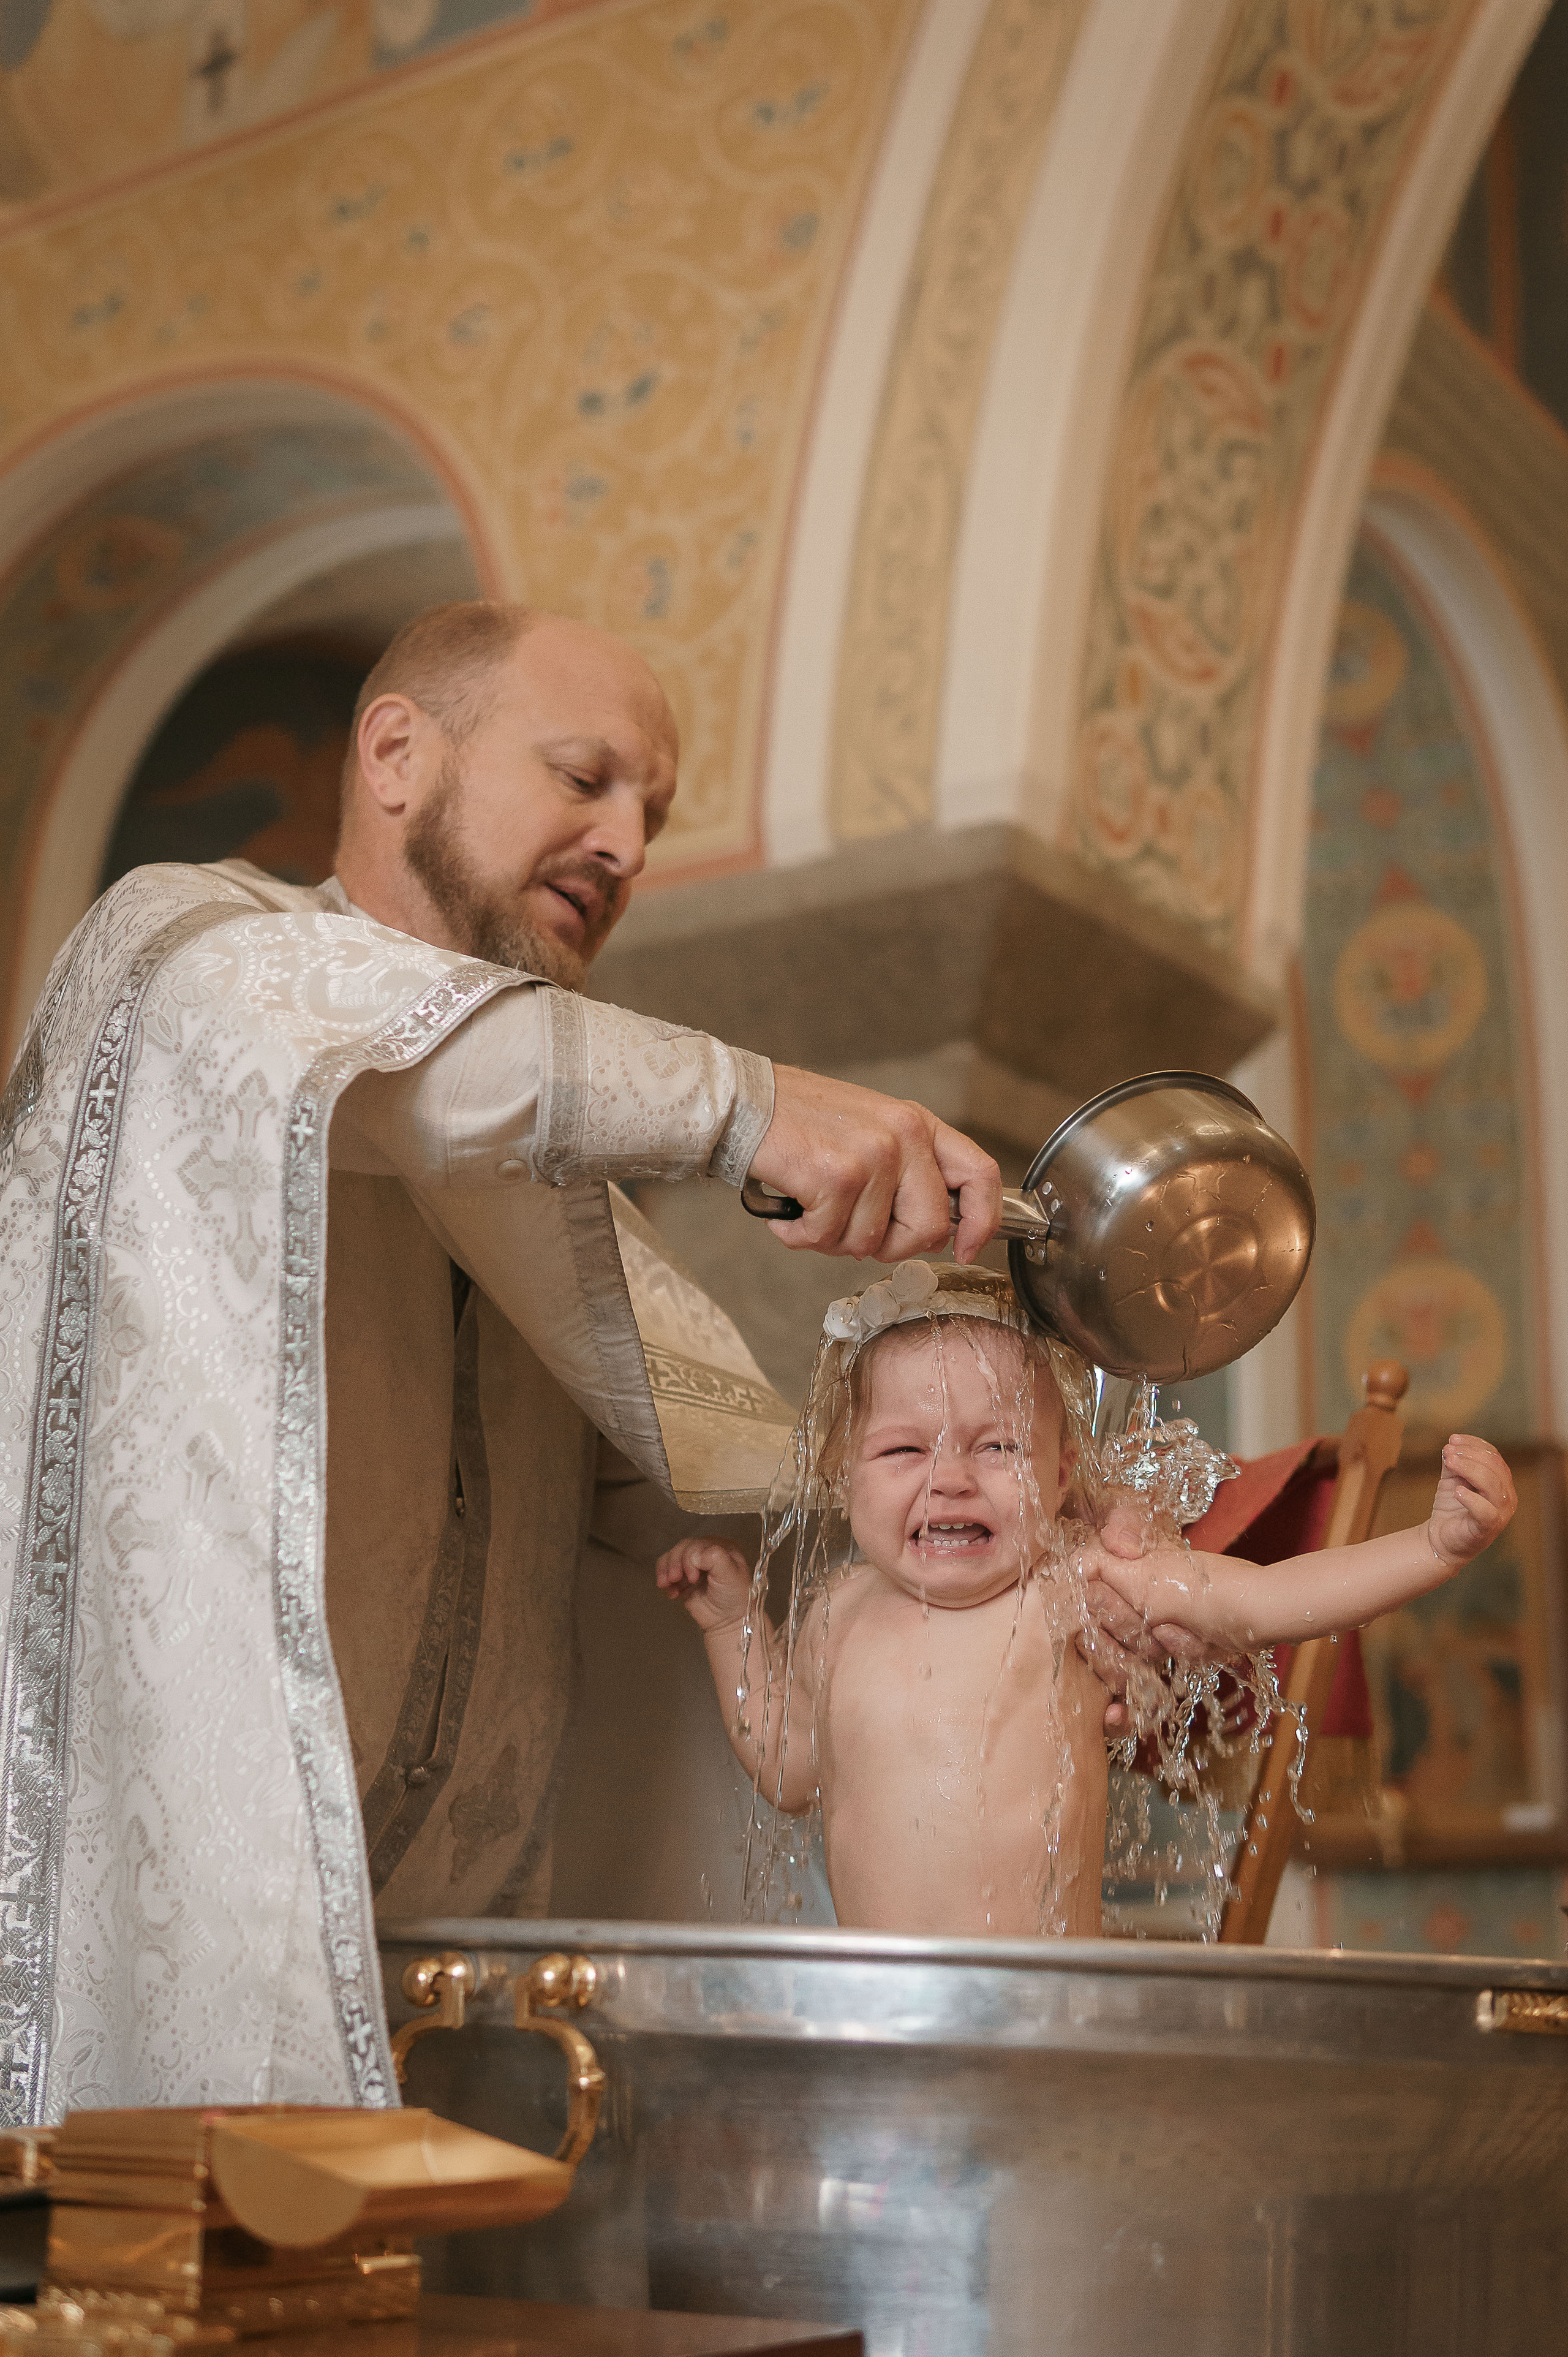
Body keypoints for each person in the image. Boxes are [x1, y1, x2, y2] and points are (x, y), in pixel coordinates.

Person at [0, 601, 1002, 2125]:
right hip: (154, 2011)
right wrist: (753, 1106)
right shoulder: (181, 955)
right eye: (585, 775)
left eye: (650, 814)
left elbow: (701, 1528)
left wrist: (1009, 1585)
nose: (627, 843)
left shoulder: (554, 1195)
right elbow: (428, 1073)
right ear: (397, 753)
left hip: (455, 2037)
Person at [657, 1265, 1517, 1938]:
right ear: (843, 1474)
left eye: (996, 1446)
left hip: (1050, 1992)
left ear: (1062, 1472)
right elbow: (794, 1773)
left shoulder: (1076, 1585)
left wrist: (1434, 1546)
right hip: (891, 2001)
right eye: (902, 1451)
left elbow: (1262, 1602)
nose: (949, 1479)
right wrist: (736, 1626)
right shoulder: (835, 1612)